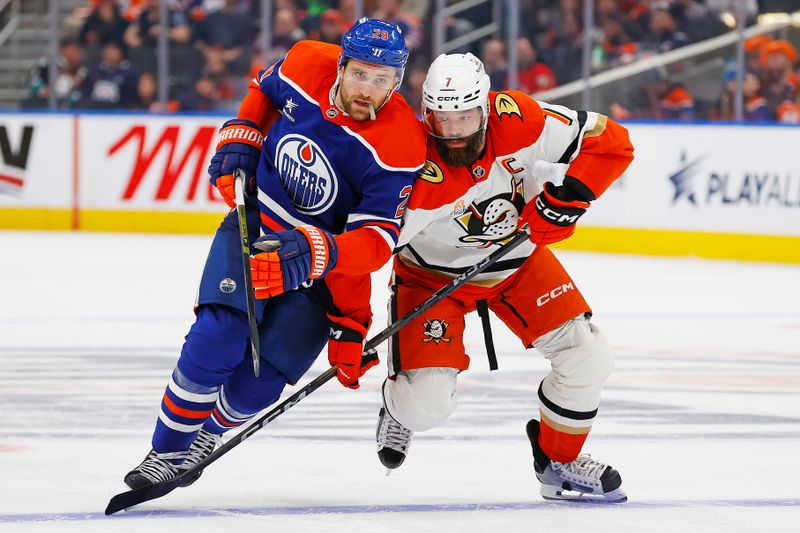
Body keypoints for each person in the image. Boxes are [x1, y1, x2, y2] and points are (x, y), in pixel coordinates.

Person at [122, 17, 426, 489]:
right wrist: (243, 132)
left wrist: (326, 263)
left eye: (382, 79)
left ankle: (207, 436)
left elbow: (376, 241)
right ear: (341, 65)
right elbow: (263, 91)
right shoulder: (306, 62)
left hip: (317, 269)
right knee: (217, 335)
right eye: (360, 73)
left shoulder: (401, 144)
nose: (368, 89)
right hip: (255, 223)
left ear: (397, 81)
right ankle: (165, 452)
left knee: (262, 381)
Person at [373, 53, 634, 502]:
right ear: (425, 112)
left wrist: (573, 194)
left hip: (517, 263)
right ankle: (400, 406)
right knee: (426, 406)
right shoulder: (407, 157)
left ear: (486, 106)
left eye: (465, 117)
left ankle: (560, 461)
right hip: (430, 279)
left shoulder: (522, 119)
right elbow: (367, 247)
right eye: (441, 118)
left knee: (588, 355)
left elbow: (612, 142)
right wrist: (347, 319)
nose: (452, 132)